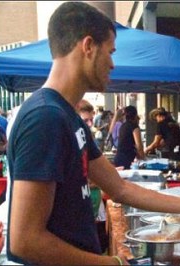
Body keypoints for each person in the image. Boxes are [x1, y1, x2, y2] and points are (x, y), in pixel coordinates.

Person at [6, 2, 180, 265]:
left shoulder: (67, 116)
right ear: (88, 46)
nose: (112, 64)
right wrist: (111, 263)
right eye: (110, 52)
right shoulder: (45, 118)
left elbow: (119, 188)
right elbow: (24, 241)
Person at [76, 99, 108, 253]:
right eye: (85, 120)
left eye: (90, 120)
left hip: (94, 207)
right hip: (81, 215)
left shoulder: (88, 141)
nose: (89, 124)